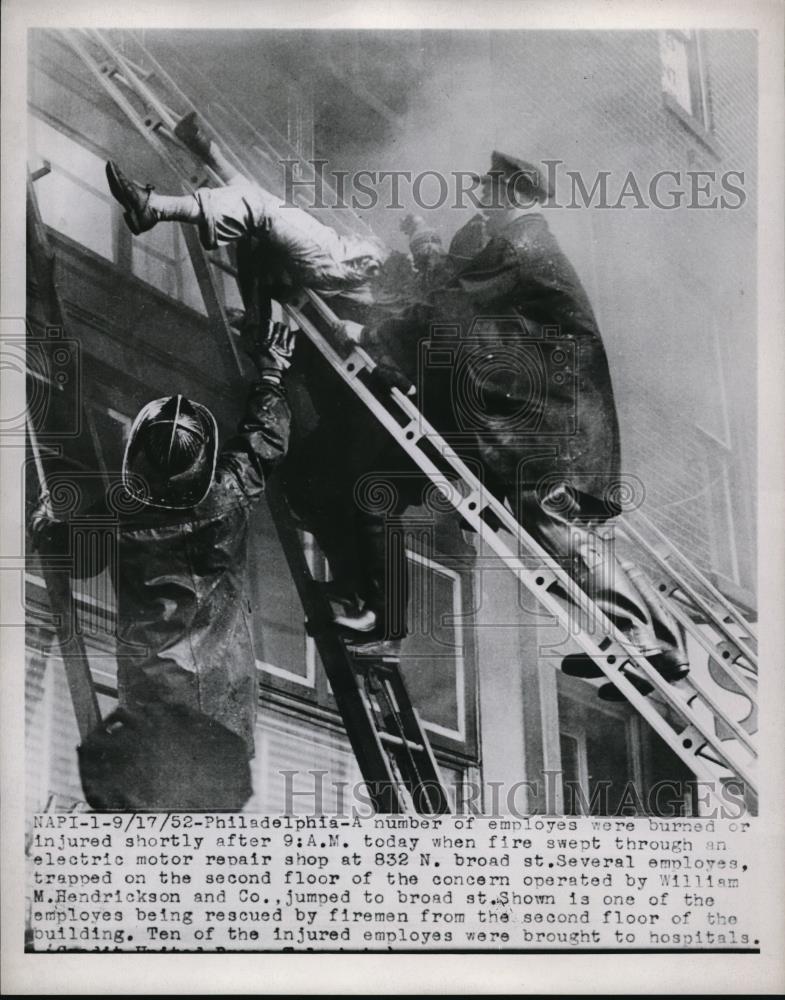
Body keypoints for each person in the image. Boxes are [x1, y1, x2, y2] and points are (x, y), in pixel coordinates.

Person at [366, 151, 689, 698]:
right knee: (564, 530)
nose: (479, 203)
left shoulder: (521, 244)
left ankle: (635, 634)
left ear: (513, 192)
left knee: (550, 522)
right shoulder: (528, 244)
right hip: (560, 417)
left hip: (551, 420)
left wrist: (419, 263)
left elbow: (453, 305)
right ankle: (662, 639)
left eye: (486, 192)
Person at [29, 321, 296, 808]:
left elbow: (75, 557)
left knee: (150, 822)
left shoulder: (118, 514)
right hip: (225, 704)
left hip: (155, 698)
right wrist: (273, 376)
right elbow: (265, 441)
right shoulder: (228, 494)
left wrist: (47, 525)